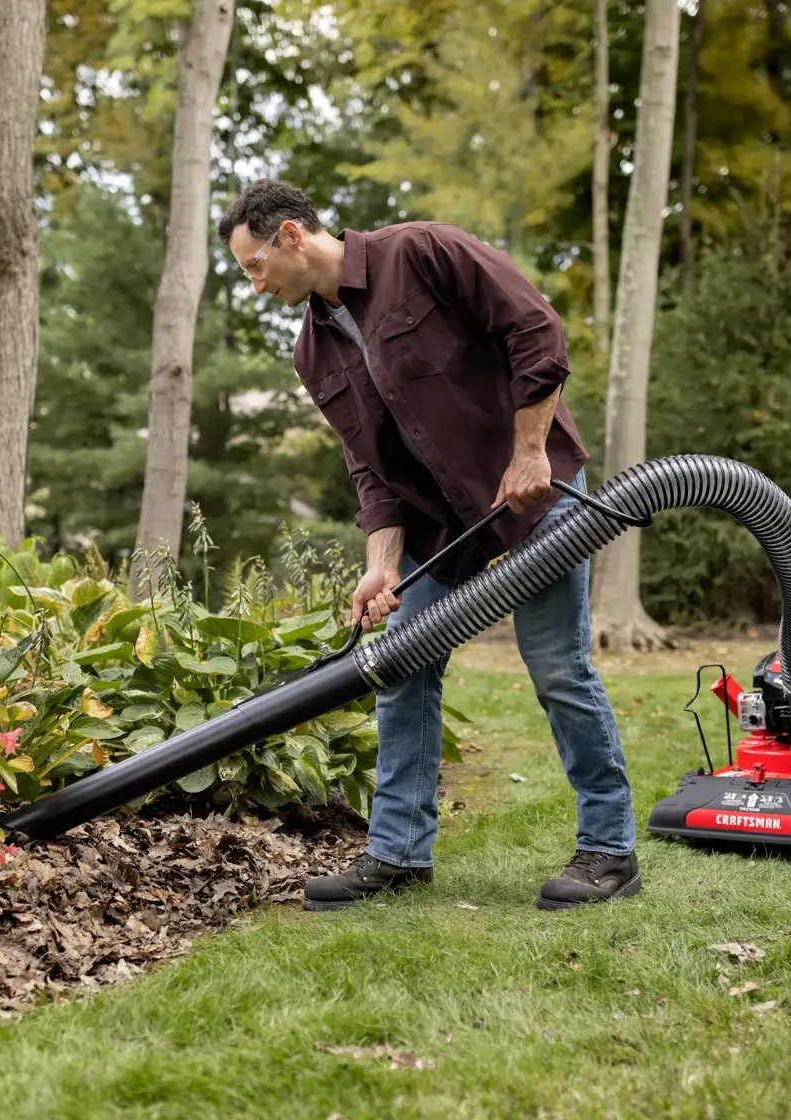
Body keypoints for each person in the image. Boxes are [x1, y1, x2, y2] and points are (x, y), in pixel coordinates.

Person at [217, 179, 639, 911]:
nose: (255, 284)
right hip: (445, 530)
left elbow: (535, 330)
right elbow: (369, 469)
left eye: (254, 265)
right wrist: (381, 567)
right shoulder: (311, 352)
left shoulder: (423, 253)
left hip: (534, 497)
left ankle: (610, 850)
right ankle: (399, 855)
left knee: (557, 668)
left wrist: (531, 451)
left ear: (289, 235)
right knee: (400, 667)